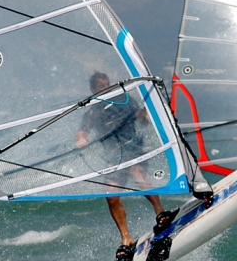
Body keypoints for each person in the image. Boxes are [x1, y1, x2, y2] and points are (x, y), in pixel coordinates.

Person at [76, 72, 178, 261]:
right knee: (111, 195)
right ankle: (126, 237)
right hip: (115, 158)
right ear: (94, 90)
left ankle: (160, 212)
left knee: (137, 173)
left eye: (107, 83)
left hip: (134, 148)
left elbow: (142, 119)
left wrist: (145, 116)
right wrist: (82, 138)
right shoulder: (93, 111)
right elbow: (83, 130)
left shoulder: (125, 100)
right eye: (101, 86)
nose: (106, 87)